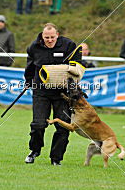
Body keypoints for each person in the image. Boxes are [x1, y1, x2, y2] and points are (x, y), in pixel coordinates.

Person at [24, 23, 82, 166]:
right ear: (42, 36)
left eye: (52, 37)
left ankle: (56, 159)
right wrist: (28, 81)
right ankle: (34, 151)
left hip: (62, 93)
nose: (49, 40)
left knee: (63, 127)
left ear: (57, 35)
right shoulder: (34, 47)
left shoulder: (68, 45)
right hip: (41, 91)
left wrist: (73, 80)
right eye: (46, 37)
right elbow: (30, 66)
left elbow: (77, 64)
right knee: (38, 124)